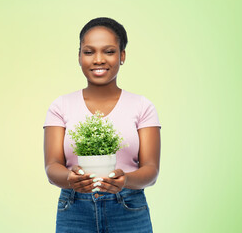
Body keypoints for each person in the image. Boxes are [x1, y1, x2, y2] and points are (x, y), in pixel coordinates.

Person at [43, 17, 161, 233]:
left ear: (122, 56)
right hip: (74, 209)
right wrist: (70, 179)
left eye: (109, 51)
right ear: (79, 56)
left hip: (129, 209)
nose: (98, 59)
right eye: (89, 52)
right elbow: (52, 166)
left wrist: (124, 181)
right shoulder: (61, 106)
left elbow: (151, 171)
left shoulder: (142, 106)